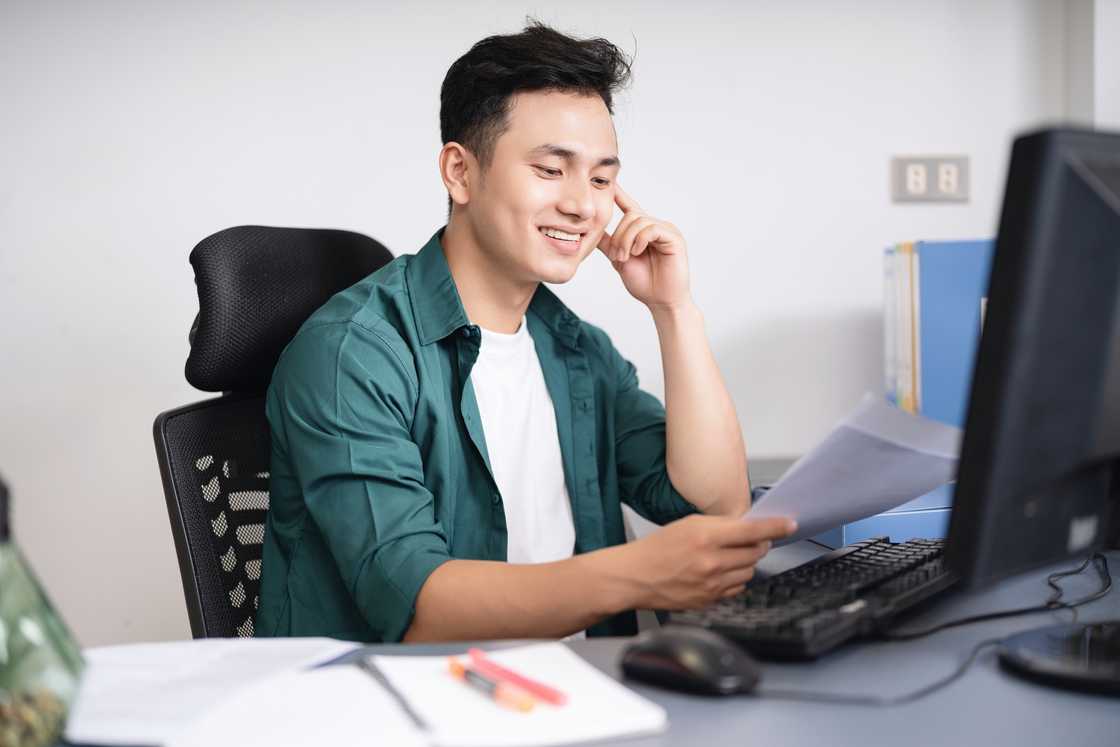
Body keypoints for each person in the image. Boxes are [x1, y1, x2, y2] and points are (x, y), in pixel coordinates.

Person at [255, 20, 796, 643]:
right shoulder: (353, 352)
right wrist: (634, 576)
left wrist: (674, 312)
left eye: (600, 179)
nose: (584, 206)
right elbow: (418, 606)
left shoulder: (574, 348)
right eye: (551, 169)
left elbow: (713, 506)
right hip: (411, 714)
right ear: (459, 172)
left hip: (575, 694)